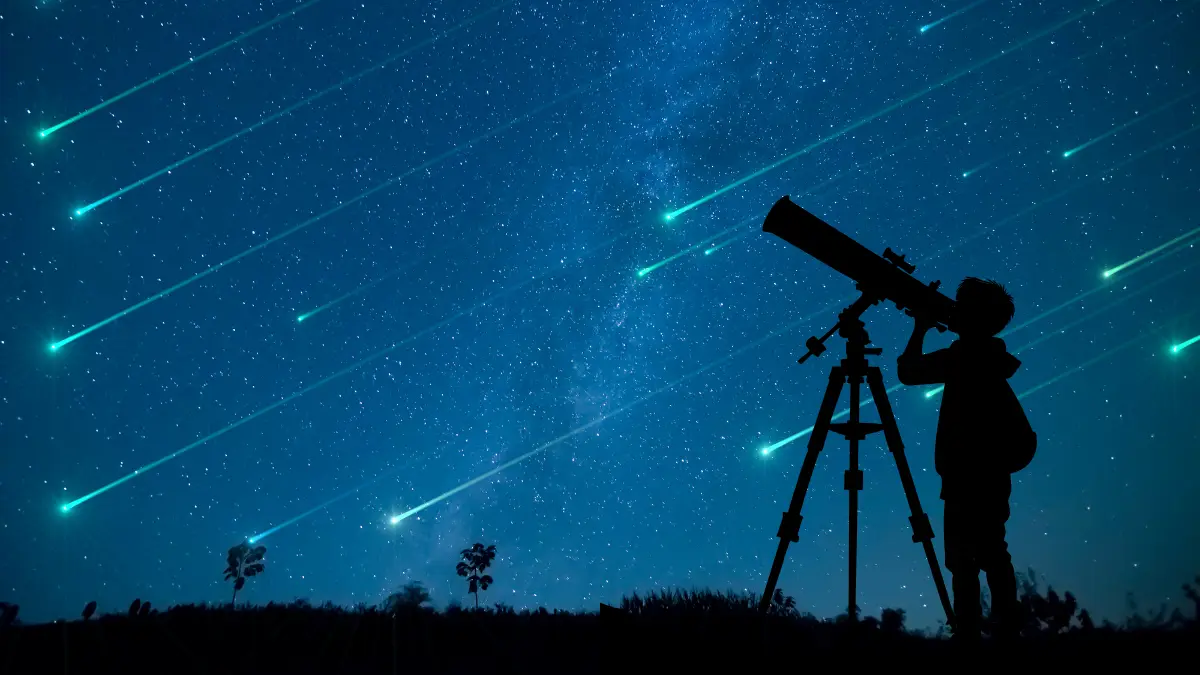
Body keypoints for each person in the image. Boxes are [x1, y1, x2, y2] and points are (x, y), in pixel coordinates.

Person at [896, 277, 1023, 642]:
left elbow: (908, 371)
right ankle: (1006, 629)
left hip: (965, 474)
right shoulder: (988, 357)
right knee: (993, 550)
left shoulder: (965, 357)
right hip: (992, 475)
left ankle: (968, 634)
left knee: (964, 558)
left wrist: (919, 327)